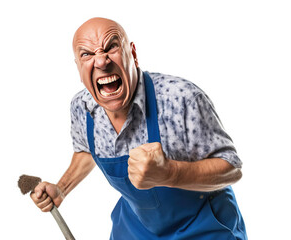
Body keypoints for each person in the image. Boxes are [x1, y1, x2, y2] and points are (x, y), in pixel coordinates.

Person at [30, 17, 247, 239]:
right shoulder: (83, 108)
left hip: (203, 227)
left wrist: (170, 173)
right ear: (78, 65)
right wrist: (62, 188)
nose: (101, 61)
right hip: (137, 230)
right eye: (87, 54)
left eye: (112, 47)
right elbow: (88, 150)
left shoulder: (181, 99)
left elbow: (231, 168)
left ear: (132, 54)